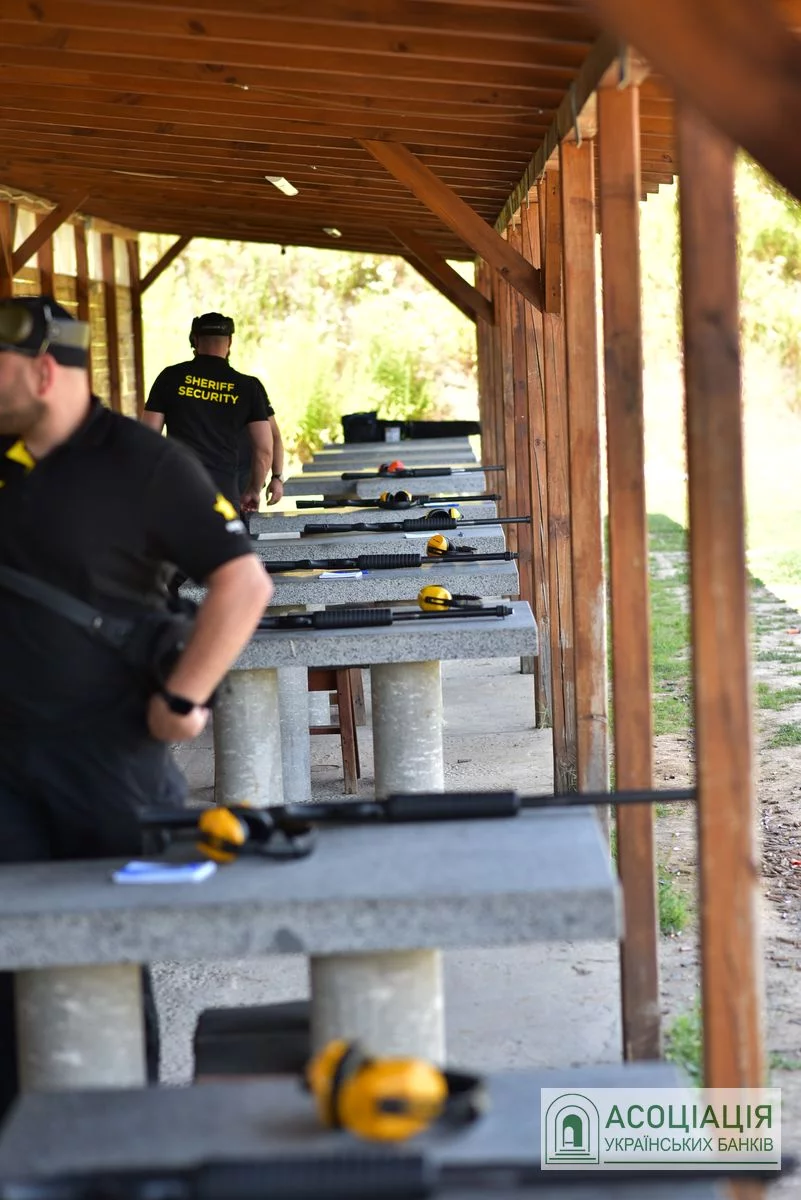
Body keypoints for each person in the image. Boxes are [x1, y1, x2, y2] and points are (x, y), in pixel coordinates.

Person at [0, 295, 273, 1121]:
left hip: (106, 761)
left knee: (108, 964)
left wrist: (184, 697)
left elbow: (242, 583)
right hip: (5, 758)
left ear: (42, 371)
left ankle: (121, 1147)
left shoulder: (143, 464)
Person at [142, 312, 274, 511]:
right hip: (224, 494)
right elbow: (264, 450)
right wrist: (253, 490)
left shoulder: (170, 377)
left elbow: (147, 438)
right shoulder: (247, 387)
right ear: (230, 342)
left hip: (177, 489)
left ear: (194, 340)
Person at [236, 412, 286, 509]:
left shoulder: (254, 401)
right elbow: (269, 443)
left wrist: (277, 477)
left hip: (244, 478)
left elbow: (272, 438)